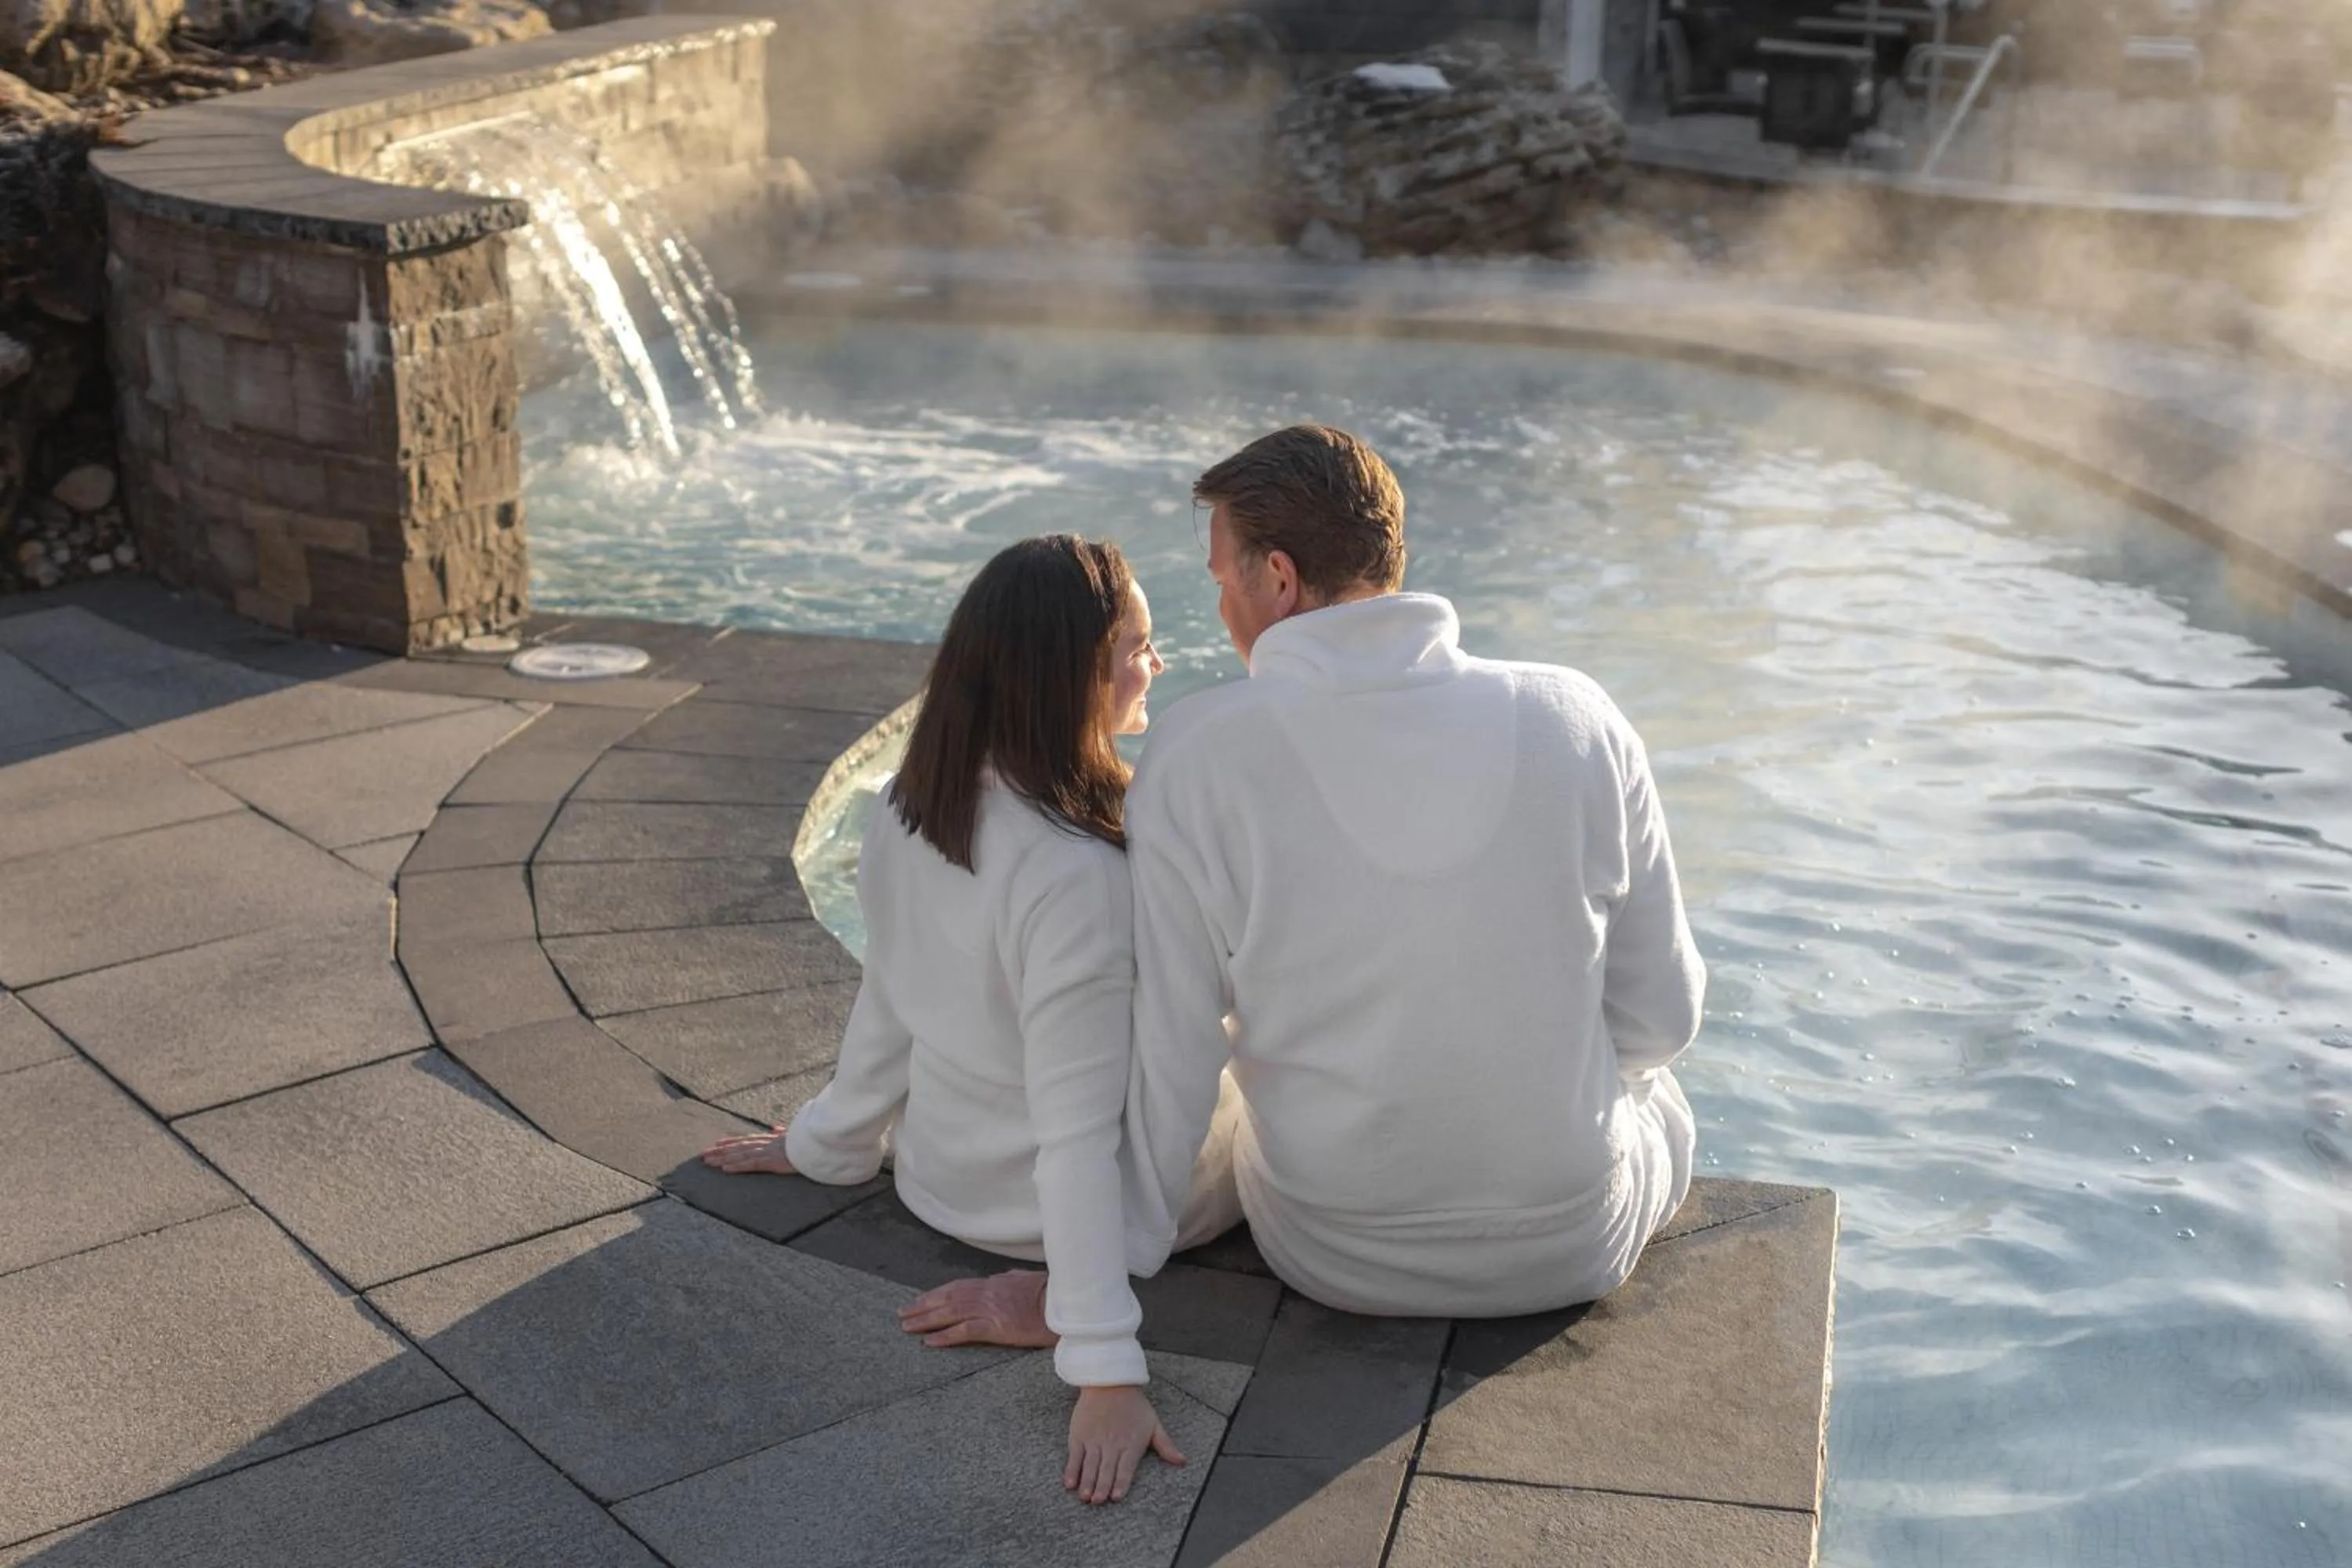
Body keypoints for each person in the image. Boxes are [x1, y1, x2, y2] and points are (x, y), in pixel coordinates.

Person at [1118, 423, 1704, 1318]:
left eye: (1220, 578)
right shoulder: (1577, 715)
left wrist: (1094, 1278)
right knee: (1657, 1093)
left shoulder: (1197, 750)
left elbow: (1176, 1058)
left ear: (1275, 578)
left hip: (1332, 1248)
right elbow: (1662, 1021)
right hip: (1576, 1240)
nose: (1221, 609)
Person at [699, 534, 1222, 1506]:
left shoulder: (907, 808)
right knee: (1247, 1074)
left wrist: (829, 1143)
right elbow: (1075, 1133)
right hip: (1051, 1217)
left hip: (943, 1182)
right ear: (1071, 676)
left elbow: (890, 995)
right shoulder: (1077, 874)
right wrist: (1102, 1361)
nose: (1157, 665)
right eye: (1139, 647)